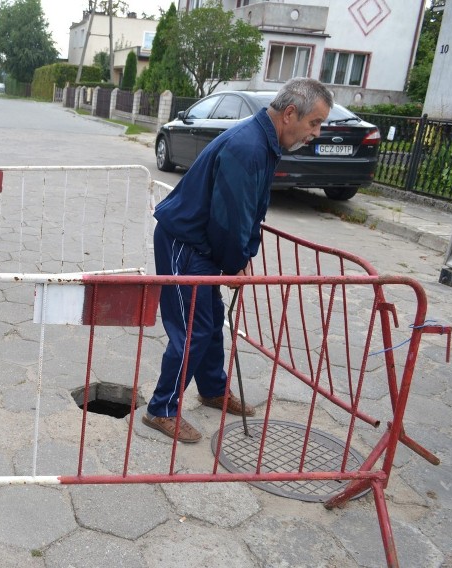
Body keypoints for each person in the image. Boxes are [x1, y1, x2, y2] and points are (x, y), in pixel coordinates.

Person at [143, 78, 334, 443]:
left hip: (202, 245)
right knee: (192, 330)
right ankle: (161, 408)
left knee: (211, 321)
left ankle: (212, 388)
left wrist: (243, 257)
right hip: (184, 243)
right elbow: (229, 218)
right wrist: (234, 264)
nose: (317, 133)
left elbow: (248, 211)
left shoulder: (263, 142)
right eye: (315, 123)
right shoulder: (249, 146)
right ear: (290, 113)